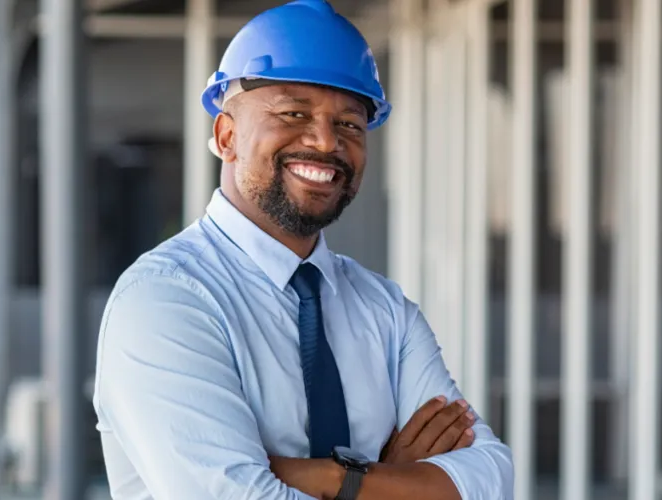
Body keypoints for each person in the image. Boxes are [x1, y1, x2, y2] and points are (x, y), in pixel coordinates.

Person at [92, 1, 514, 498]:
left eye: (350, 125)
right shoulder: (165, 301)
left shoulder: (386, 312)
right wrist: (385, 476)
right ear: (227, 136)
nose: (324, 142)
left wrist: (335, 477)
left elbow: (490, 479)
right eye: (293, 113)